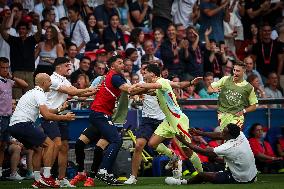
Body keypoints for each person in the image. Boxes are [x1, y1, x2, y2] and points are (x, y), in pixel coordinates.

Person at [129, 64, 204, 179]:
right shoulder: (161, 85)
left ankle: (202, 174)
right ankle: (173, 156)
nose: (143, 75)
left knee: (187, 150)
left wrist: (138, 84)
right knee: (152, 143)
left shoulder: (162, 82)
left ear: (152, 74)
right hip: (168, 121)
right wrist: (190, 83)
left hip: (178, 120)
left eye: (145, 73)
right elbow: (177, 85)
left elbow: (150, 86)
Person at [73, 55, 138, 186]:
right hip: (101, 116)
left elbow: (129, 90)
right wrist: (151, 86)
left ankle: (91, 176)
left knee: (99, 147)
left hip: (106, 117)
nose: (123, 65)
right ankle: (100, 172)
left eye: (122, 63)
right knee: (116, 140)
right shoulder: (114, 77)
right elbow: (129, 89)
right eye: (120, 63)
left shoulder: (115, 77)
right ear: (112, 66)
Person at [8, 73, 75, 188]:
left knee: (38, 149)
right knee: (50, 145)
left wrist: (60, 109)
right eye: (49, 81)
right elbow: (46, 116)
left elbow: (46, 111)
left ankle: (38, 180)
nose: (51, 83)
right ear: (44, 83)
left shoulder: (33, 92)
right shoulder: (40, 94)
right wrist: (65, 117)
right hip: (23, 124)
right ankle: (47, 177)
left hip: (14, 126)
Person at [40, 57, 97, 187]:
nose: (69, 68)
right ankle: (46, 177)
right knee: (57, 144)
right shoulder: (52, 79)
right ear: (58, 67)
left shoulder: (64, 80)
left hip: (61, 116)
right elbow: (71, 91)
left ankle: (61, 178)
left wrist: (95, 92)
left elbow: (79, 96)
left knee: (64, 147)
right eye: (66, 66)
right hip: (49, 115)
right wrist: (92, 88)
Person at [165, 123, 257, 185]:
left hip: (239, 178)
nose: (222, 133)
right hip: (252, 175)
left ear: (229, 135)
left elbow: (204, 152)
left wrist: (184, 142)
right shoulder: (240, 135)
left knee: (202, 175)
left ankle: (182, 182)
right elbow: (219, 135)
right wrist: (200, 133)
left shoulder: (228, 147)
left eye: (224, 132)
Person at [207, 61, 258, 130]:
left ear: (244, 71)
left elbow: (254, 106)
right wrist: (213, 90)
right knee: (227, 137)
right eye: (234, 70)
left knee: (232, 133)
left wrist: (243, 111)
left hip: (237, 117)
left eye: (238, 71)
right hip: (223, 116)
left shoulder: (249, 87)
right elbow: (209, 89)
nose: (235, 73)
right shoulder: (225, 79)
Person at [0, 57, 28, 178]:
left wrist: (11, 76)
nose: (5, 70)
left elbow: (25, 85)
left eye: (7, 67)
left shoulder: (9, 81)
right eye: (2, 67)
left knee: (2, 145)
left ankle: (0, 170)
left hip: (7, 117)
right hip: (0, 117)